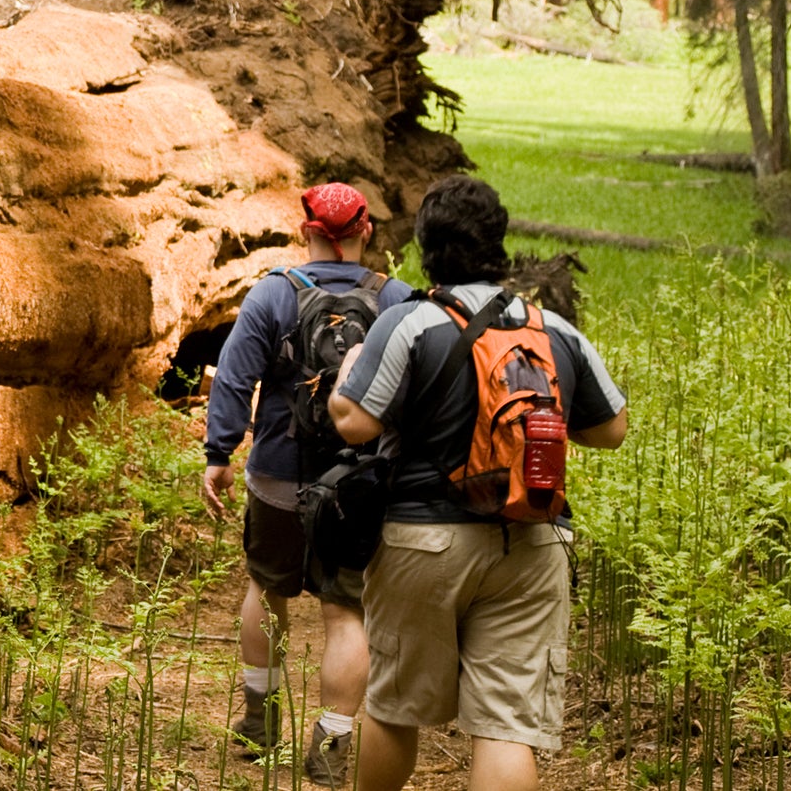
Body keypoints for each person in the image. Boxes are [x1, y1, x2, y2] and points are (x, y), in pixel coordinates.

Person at [329, 175, 630, 791]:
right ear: (499, 244)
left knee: (393, 706)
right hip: (531, 541)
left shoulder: (410, 323)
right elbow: (611, 430)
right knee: (507, 726)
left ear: (425, 248)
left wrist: (346, 376)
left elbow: (356, 425)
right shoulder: (557, 331)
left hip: (421, 542)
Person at [202, 182, 411, 786]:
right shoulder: (393, 300)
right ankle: (329, 750)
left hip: (277, 476)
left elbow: (235, 381)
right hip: (358, 487)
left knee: (267, 591)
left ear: (306, 232)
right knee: (346, 614)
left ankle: (260, 723)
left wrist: (219, 453)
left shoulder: (273, 294)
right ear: (365, 231)